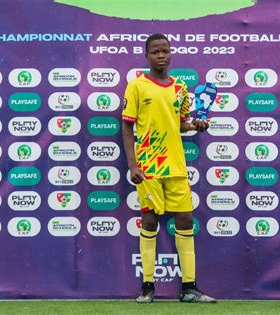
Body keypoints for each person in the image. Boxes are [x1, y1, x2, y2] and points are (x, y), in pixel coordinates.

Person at [122, 33, 216, 303]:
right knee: (149, 221)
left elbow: (182, 123)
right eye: (155, 52)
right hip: (149, 166)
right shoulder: (137, 86)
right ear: (147, 55)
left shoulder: (181, 88)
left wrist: (196, 125)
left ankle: (189, 288)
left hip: (175, 164)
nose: (161, 55)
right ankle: (147, 287)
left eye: (165, 50)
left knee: (185, 219)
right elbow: (127, 125)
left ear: (171, 53)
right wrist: (132, 163)